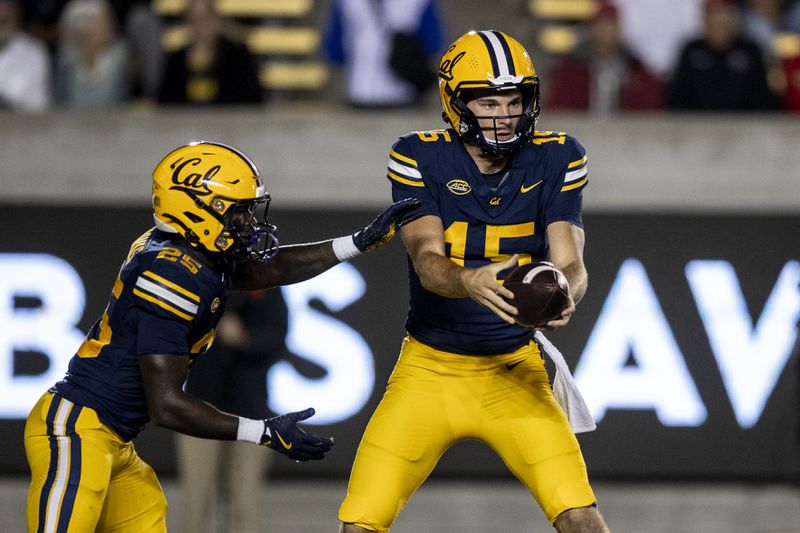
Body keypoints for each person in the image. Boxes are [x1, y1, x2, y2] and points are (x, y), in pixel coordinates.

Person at [23, 141, 421, 532]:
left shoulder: (186, 251)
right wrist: (262, 432)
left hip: (114, 439)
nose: (248, 223)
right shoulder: (168, 275)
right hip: (77, 430)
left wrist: (356, 243)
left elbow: (266, 270)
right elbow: (166, 405)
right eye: (238, 212)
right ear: (197, 210)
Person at [338, 30, 610, 532]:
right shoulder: (419, 155)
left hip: (515, 372)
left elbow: (571, 260)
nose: (504, 114)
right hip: (430, 371)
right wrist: (469, 280)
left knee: (582, 519)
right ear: (455, 101)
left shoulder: (558, 155)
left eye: (513, 100)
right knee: (360, 524)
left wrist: (568, 291)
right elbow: (426, 259)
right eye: (488, 100)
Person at [177, 289, 288, 533]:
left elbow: (278, 338)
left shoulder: (265, 281)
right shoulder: (203, 280)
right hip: (200, 408)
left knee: (244, 501)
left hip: (250, 409)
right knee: (197, 499)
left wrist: (244, 338)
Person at [544, 0, 664, 114]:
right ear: (592, 28)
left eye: (611, 24)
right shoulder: (571, 70)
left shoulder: (636, 71)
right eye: (601, 25)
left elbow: (649, 110)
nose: (607, 31)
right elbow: (558, 109)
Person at [322, 0, 443, 108]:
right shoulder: (419, 2)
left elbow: (335, 51)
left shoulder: (346, 3)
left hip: (359, 93)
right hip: (403, 97)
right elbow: (432, 44)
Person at [667, 0, 776, 110]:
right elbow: (677, 98)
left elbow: (763, 98)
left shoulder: (750, 51)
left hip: (744, 124)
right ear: (705, 21)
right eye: (714, 20)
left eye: (723, 21)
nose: (719, 24)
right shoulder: (691, 50)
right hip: (696, 124)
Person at [158, 0, 263, 105]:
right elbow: (166, 103)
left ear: (217, 19)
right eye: (195, 20)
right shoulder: (176, 60)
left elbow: (252, 100)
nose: (201, 26)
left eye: (206, 18)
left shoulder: (237, 56)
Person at [54, 0, 130, 108]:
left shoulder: (121, 55)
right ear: (85, 27)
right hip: (73, 123)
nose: (112, 24)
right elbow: (60, 102)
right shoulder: (67, 61)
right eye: (105, 20)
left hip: (113, 123)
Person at [0, 0, 51, 111]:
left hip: (27, 122)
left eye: (5, 19)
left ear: (15, 18)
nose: (2, 19)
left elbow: (15, 94)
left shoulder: (34, 50)